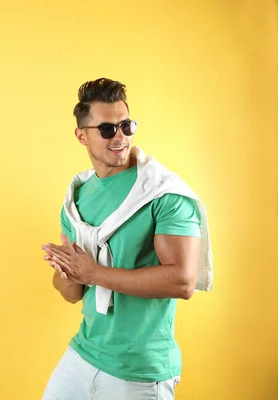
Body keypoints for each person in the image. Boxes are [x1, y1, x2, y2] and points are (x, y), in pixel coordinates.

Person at [40, 78, 213, 400]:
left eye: (126, 125)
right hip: (83, 353)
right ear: (82, 135)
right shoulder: (76, 198)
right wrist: (65, 269)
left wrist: (92, 272)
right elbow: (72, 293)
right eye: (107, 129)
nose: (120, 137)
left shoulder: (165, 194)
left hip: (139, 370)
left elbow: (182, 282)